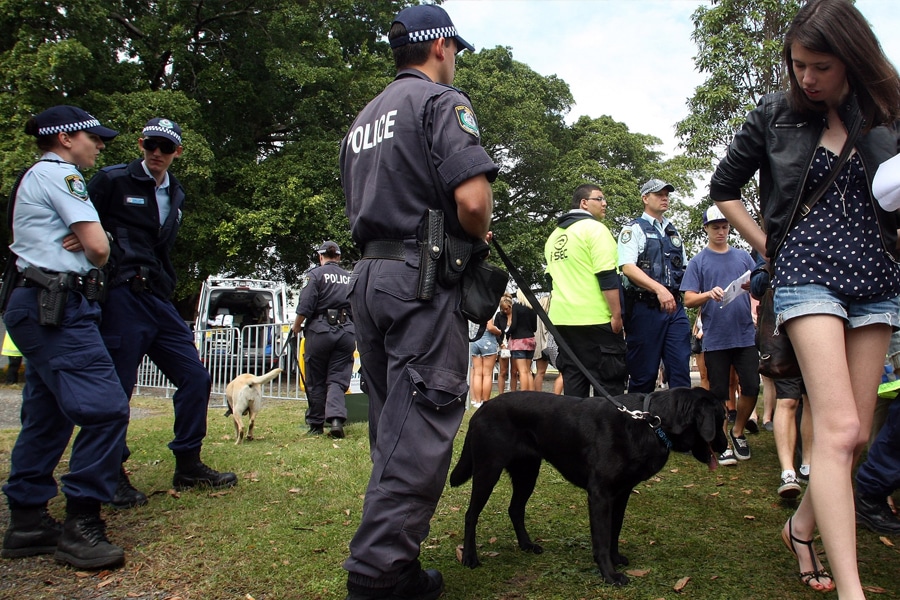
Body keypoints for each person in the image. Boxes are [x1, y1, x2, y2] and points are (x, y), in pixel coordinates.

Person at [710, 0, 900, 594]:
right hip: (806, 271)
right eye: (798, 65)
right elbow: (724, 189)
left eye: (820, 66)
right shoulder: (774, 111)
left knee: (857, 433)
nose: (806, 78)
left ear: (852, 59)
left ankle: (801, 526)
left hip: (875, 273)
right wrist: (771, 246)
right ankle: (851, 589)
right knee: (839, 430)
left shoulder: (887, 111)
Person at [338, 5, 498, 599]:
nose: (454, 60)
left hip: (371, 275)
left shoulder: (362, 119)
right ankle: (380, 574)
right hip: (419, 279)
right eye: (454, 50)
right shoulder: (440, 104)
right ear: (440, 48)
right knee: (423, 422)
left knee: (392, 423)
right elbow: (475, 203)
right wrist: (475, 239)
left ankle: (393, 562)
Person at [1, 105, 129, 569]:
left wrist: (95, 236)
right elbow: (96, 248)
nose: (98, 145)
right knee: (106, 409)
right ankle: (81, 522)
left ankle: (28, 520)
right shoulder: (61, 175)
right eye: (92, 137)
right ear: (65, 138)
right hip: (57, 305)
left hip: (34, 301)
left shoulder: (33, 177)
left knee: (48, 413)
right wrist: (102, 240)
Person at [87, 117, 236, 509]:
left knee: (195, 376)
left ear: (177, 152)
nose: (157, 153)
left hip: (156, 297)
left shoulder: (177, 194)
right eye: (151, 144)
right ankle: (109, 474)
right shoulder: (111, 180)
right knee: (118, 388)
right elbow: (78, 220)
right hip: (120, 295)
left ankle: (188, 463)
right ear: (140, 144)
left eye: (166, 148)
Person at [681, 205, 758, 466]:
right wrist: (707, 294)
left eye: (725, 227)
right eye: (716, 227)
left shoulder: (744, 257)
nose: (721, 232)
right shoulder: (698, 261)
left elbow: (760, 286)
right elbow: (688, 299)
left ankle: (738, 432)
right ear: (706, 229)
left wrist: (752, 286)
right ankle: (722, 440)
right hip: (716, 337)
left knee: (751, 385)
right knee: (718, 393)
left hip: (745, 333)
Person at [544, 183, 626, 397]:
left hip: (564, 321)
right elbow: (607, 275)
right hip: (596, 319)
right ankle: (607, 431)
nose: (605, 203)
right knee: (608, 387)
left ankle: (572, 430)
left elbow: (550, 279)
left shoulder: (554, 237)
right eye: (599, 198)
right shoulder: (595, 229)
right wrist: (616, 314)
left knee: (574, 384)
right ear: (584, 203)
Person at [618, 179, 691, 393]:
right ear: (645, 198)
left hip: (674, 309)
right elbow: (628, 268)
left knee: (680, 374)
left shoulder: (673, 232)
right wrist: (659, 290)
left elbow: (684, 268)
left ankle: (679, 424)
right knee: (644, 374)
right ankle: (639, 424)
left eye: (667, 194)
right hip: (645, 308)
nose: (664, 197)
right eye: (658, 194)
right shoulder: (633, 229)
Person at [292, 240, 355, 438]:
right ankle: (336, 419)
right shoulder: (350, 277)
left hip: (320, 331)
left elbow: (305, 305)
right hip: (346, 331)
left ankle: (316, 424)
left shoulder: (315, 275)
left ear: (321, 257)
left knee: (316, 379)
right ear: (339, 257)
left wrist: (296, 327)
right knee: (337, 378)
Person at [773, 378, 814, 499]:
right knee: (787, 400)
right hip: (789, 359)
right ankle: (787, 472)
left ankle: (807, 466)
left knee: (811, 399)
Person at [507, 290, 537, 391]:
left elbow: (514, 324)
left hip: (519, 342)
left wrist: (507, 332)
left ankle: (523, 395)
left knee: (522, 371)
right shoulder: (532, 308)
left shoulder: (516, 306)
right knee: (528, 371)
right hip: (530, 340)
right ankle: (531, 396)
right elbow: (535, 328)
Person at [468, 320, 498, 408]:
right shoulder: (487, 308)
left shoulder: (472, 309)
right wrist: (498, 331)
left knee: (477, 374)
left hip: (475, 341)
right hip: (487, 341)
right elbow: (490, 327)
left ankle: (477, 400)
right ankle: (485, 401)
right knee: (487, 374)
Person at [491, 294, 516, 393]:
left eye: (507, 309)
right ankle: (501, 394)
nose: (505, 311)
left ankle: (513, 394)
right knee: (503, 371)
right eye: (503, 309)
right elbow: (496, 332)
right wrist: (501, 343)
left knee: (514, 371)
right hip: (503, 345)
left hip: (514, 343)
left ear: (511, 307)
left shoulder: (516, 315)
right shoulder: (499, 316)